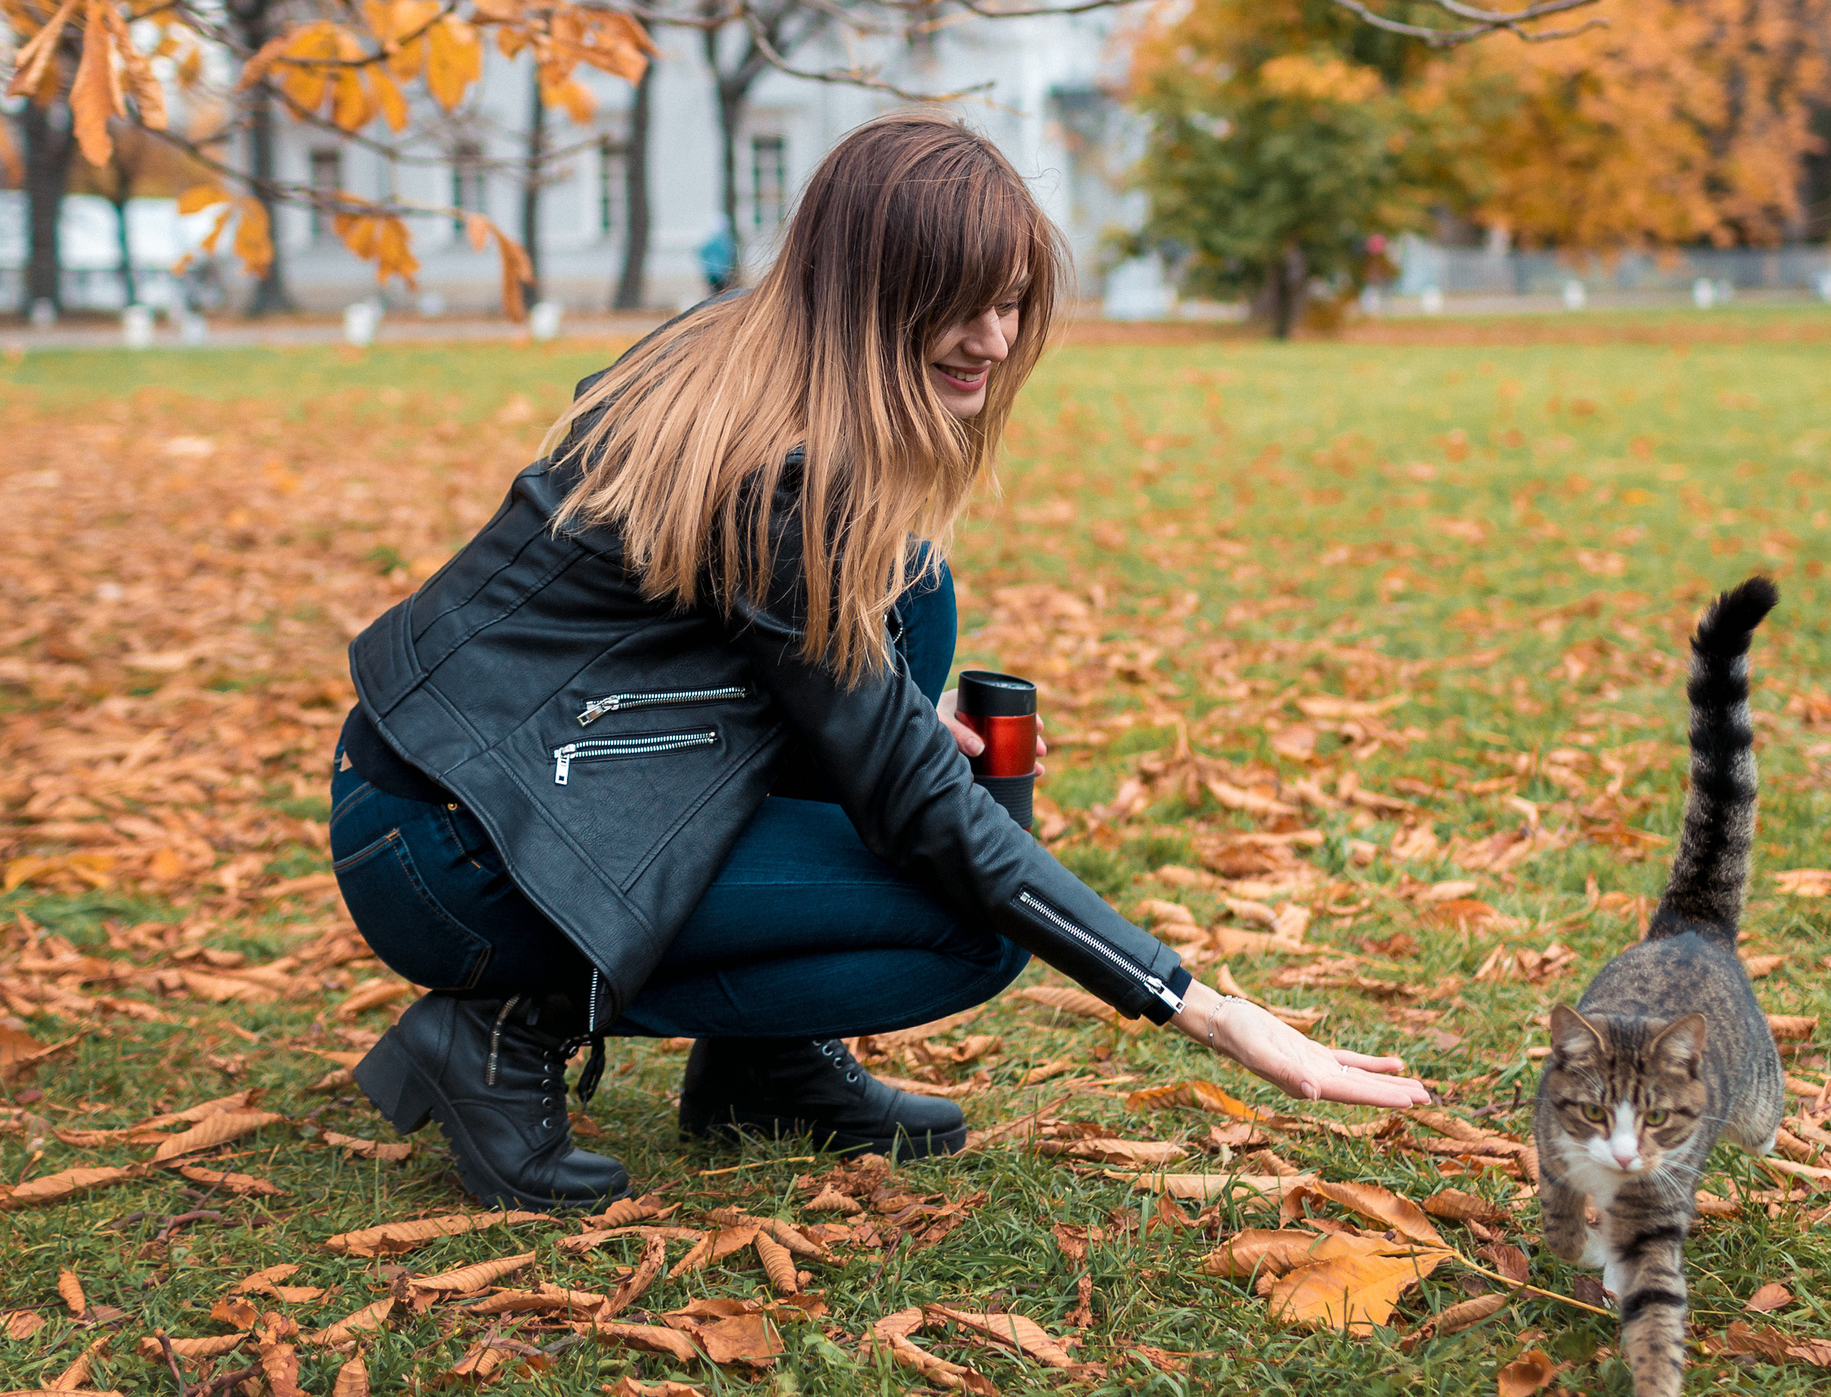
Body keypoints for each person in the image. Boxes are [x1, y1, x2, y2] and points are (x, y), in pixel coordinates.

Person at [327, 113, 1426, 1209]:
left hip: (455, 782)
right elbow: (922, 811)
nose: (994, 342)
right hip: (457, 855)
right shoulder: (783, 468)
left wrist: (883, 708)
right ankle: (512, 1023)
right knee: (967, 929)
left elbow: (714, 646)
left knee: (911, 592)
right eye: (959, 303)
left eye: (1008, 300)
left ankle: (765, 1066)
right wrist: (1200, 1005)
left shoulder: (744, 351)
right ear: (868, 292)